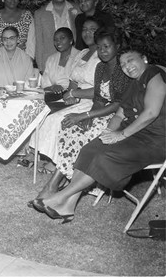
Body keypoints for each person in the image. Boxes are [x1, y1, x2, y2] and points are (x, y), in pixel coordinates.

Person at [31, 49, 166, 223]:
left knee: (104, 157)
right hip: (133, 132)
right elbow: (119, 114)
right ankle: (68, 206)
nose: (127, 67)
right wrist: (108, 133)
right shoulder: (134, 83)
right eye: (123, 64)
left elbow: (151, 113)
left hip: (154, 139)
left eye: (130, 60)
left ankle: (60, 197)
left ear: (144, 59)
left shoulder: (153, 74)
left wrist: (121, 135)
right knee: (90, 148)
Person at [30, 28, 130, 202]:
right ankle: (60, 185)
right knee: (69, 129)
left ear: (118, 46)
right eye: (99, 48)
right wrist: (87, 116)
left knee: (81, 136)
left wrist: (86, 116)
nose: (102, 51)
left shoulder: (122, 70)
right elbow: (99, 97)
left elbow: (118, 104)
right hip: (100, 111)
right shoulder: (100, 67)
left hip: (119, 117)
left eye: (107, 47)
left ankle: (52, 188)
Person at [34, 18, 102, 173]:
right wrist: (70, 95)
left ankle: (57, 162)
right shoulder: (84, 53)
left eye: (92, 29)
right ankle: (45, 154)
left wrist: (73, 93)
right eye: (84, 29)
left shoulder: (102, 54)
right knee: (46, 114)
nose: (87, 33)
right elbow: (73, 80)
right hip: (76, 97)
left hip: (92, 100)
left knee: (58, 119)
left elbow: (101, 90)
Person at [33, 0, 79, 72]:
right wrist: (41, 68)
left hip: (74, 61)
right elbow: (39, 43)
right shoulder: (40, 14)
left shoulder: (77, 9)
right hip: (51, 63)